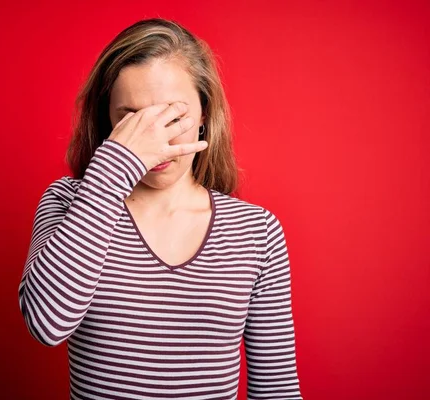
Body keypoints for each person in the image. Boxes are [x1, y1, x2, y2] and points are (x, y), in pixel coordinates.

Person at [18, 17, 303, 400]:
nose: (158, 138)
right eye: (132, 117)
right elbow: (46, 324)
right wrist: (115, 166)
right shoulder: (69, 202)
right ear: (108, 124)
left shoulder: (256, 231)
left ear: (205, 115)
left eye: (175, 115)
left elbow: (276, 389)